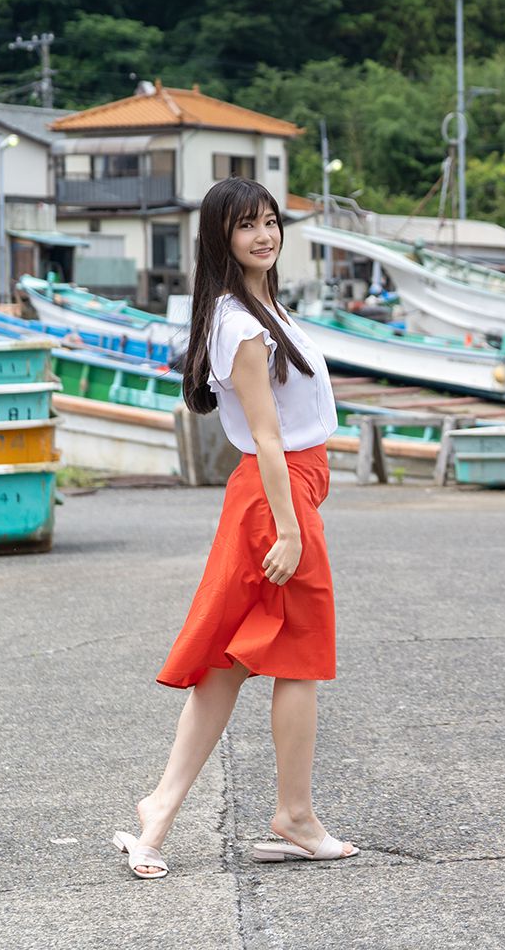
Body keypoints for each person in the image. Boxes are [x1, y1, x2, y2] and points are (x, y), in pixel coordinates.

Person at [111, 178, 358, 878]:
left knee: (232, 661)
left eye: (272, 221)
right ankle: (296, 818)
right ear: (221, 237)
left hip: (279, 496)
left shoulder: (256, 307)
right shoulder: (242, 323)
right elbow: (267, 437)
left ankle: (158, 812)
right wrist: (288, 528)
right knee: (300, 658)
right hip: (273, 502)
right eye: (246, 225)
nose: (264, 235)